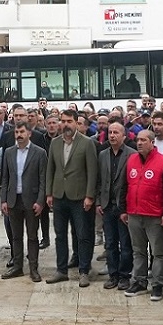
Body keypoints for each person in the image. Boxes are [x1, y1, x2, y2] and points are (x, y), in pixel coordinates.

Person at [45, 109, 99, 285]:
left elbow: (92, 171)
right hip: (59, 196)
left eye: (69, 121)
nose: (65, 124)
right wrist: (49, 193)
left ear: (76, 123)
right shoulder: (55, 143)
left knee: (83, 234)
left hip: (80, 196)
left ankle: (84, 270)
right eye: (63, 120)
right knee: (60, 235)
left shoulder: (86, 143)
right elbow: (50, 170)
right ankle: (61, 270)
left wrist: (90, 196)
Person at [121, 126, 163, 300]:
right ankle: (139, 281)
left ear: (152, 142)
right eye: (138, 140)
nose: (139, 143)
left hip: (155, 214)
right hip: (134, 213)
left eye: (143, 140)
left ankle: (157, 284)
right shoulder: (131, 160)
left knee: (158, 252)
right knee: (138, 250)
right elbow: (125, 186)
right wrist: (123, 209)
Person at [0, 122, 48, 281]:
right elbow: (5, 178)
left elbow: (43, 180)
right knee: (16, 236)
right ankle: (17, 266)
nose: (19, 135)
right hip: (13, 200)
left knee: (32, 236)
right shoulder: (9, 152)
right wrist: (3, 199)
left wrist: (40, 201)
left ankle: (33, 268)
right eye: (16, 132)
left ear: (29, 134)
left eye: (22, 132)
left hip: (31, 200)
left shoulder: (40, 153)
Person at [96, 121, 132, 291]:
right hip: (107, 206)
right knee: (110, 243)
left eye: (116, 132)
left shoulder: (131, 155)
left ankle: (125, 276)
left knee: (125, 244)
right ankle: (113, 275)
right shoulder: (102, 155)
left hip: (123, 207)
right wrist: (98, 201)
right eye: (110, 132)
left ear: (124, 136)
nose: (112, 135)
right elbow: (98, 180)